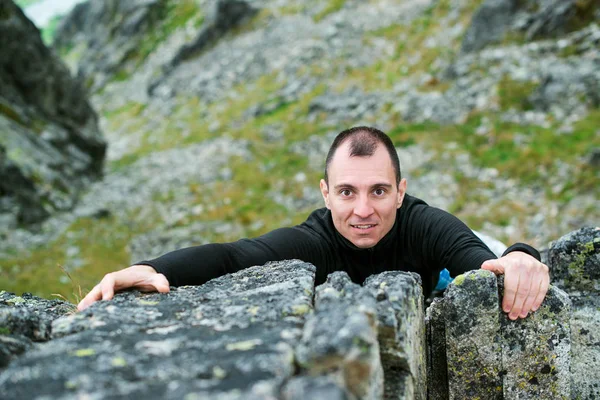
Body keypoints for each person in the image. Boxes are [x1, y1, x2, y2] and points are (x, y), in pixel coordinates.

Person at [78, 126, 549, 320]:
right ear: (326, 194)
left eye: (379, 191)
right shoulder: (314, 241)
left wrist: (522, 256)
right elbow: (235, 255)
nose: (363, 209)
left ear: (401, 191)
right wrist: (150, 268)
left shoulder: (423, 223)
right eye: (347, 192)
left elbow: (480, 258)